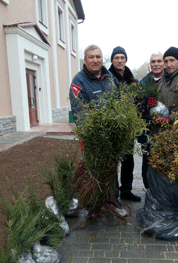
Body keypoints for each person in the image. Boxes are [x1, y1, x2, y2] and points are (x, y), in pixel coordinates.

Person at [69, 44, 127, 217]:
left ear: (103, 59)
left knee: (111, 168)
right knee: (93, 169)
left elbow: (119, 103)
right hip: (92, 137)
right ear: (85, 61)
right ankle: (93, 205)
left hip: (111, 136)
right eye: (91, 57)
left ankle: (112, 202)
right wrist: (91, 134)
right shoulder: (78, 81)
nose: (95, 60)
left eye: (98, 57)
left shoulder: (110, 78)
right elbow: (79, 112)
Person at [108, 46, 141, 202]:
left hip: (128, 128)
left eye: (122, 57)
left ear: (126, 59)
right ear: (112, 60)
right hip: (111, 127)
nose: (120, 60)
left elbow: (140, 101)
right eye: (116, 58)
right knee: (112, 160)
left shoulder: (132, 80)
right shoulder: (106, 79)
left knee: (128, 159)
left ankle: (126, 190)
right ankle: (112, 192)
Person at [138, 52, 165, 189]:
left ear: (163, 63)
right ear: (150, 64)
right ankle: (149, 190)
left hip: (166, 131)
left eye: (159, 61)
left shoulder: (169, 80)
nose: (156, 64)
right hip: (148, 131)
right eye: (153, 61)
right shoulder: (143, 83)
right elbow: (138, 108)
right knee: (147, 164)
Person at [157, 46, 178, 120]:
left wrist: (168, 120)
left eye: (172, 60)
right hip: (161, 127)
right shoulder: (161, 81)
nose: (169, 64)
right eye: (166, 61)